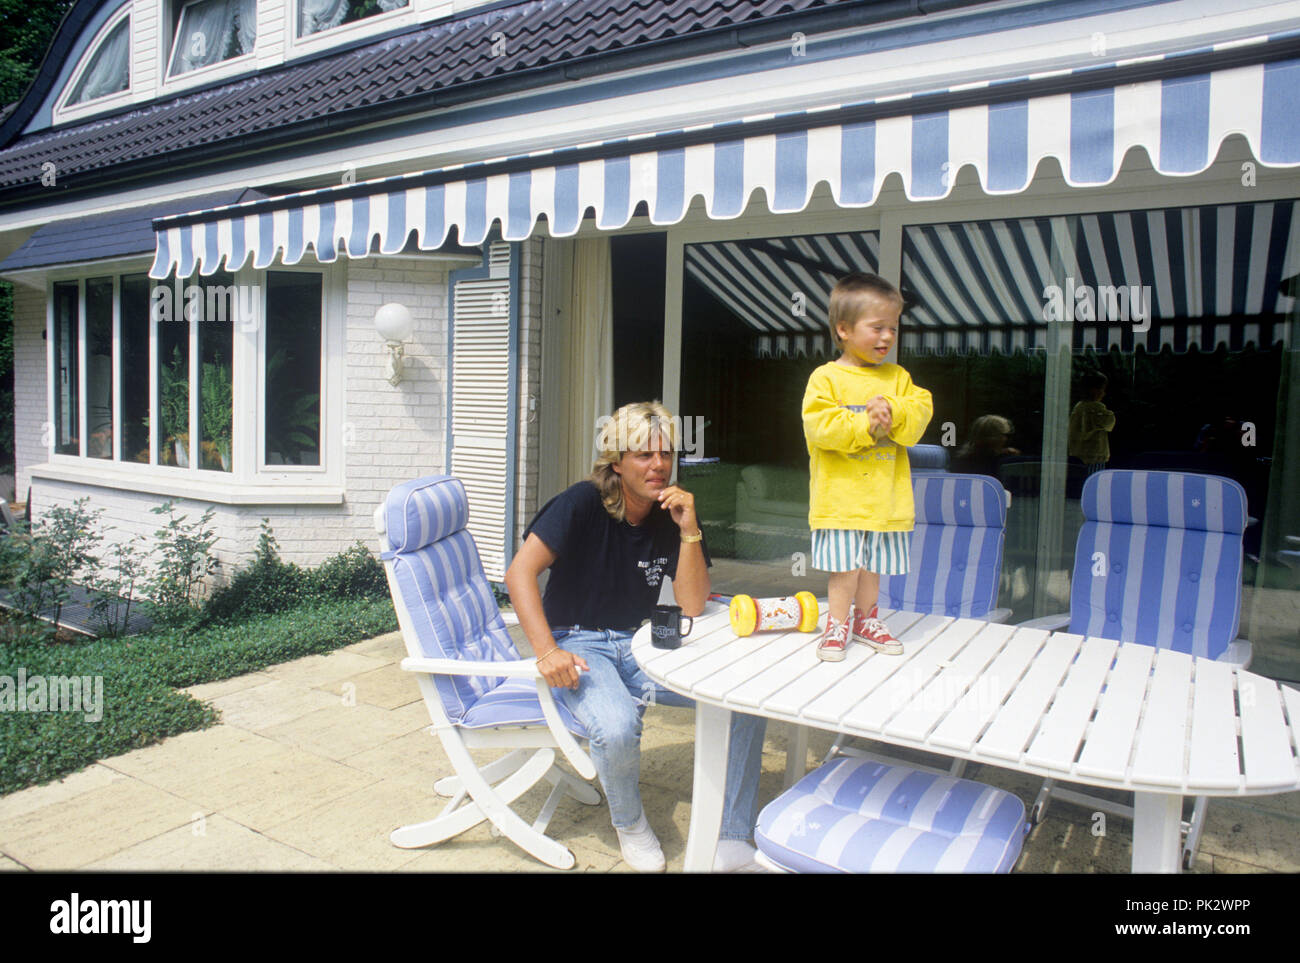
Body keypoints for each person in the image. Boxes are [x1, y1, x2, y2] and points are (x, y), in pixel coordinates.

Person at [504, 401, 767, 873]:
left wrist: (689, 529)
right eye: (644, 455)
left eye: (666, 454)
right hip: (580, 642)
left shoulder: (672, 511)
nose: (659, 465)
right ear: (616, 461)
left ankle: (731, 836)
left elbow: (691, 606)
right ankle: (629, 823)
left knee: (744, 702)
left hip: (643, 643)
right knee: (618, 726)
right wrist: (547, 650)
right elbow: (519, 574)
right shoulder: (580, 503)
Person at [802, 273, 934, 662]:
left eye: (892, 328)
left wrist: (895, 411)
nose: (887, 337)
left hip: (885, 501)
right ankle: (837, 623)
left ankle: (866, 618)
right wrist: (867, 423)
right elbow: (820, 428)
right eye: (877, 327)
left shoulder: (899, 379)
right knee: (845, 569)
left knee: (873, 568)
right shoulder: (825, 378)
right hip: (840, 501)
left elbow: (921, 412)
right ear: (843, 329)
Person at [1068, 373, 1116, 475]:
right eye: (1102, 390)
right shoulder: (1095, 408)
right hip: (1094, 458)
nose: (1104, 394)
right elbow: (1109, 422)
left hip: (1078, 456)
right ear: (1094, 391)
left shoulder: (1078, 407)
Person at [949, 414, 1020, 478]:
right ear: (994, 437)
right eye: (1005, 435)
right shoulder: (1003, 461)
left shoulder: (962, 459)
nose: (1007, 439)